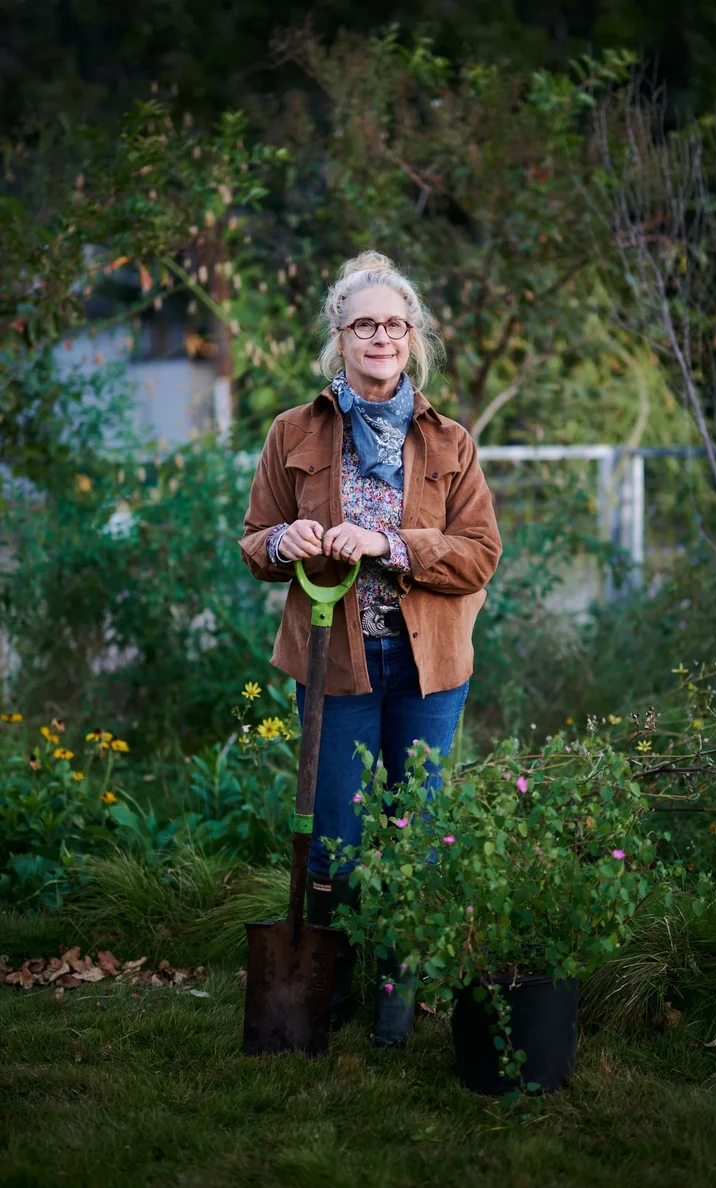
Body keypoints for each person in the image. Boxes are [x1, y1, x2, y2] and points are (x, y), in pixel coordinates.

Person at [239, 250, 502, 1046]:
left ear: (412, 335)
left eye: (393, 323)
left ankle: (399, 995)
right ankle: (332, 985)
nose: (379, 336)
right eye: (364, 324)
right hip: (337, 662)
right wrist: (287, 537)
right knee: (337, 837)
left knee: (418, 831)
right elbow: (253, 542)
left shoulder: (450, 441)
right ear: (339, 338)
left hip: (429, 669)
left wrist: (387, 543)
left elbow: (480, 553)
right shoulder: (295, 431)